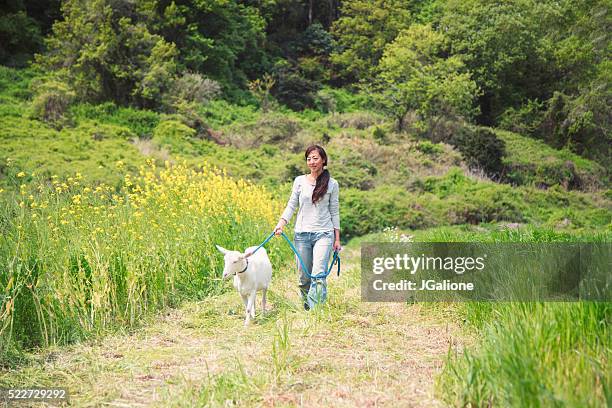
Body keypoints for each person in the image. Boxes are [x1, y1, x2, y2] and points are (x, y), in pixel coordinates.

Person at [274, 145, 341, 310]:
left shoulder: (332, 184)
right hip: (302, 235)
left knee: (318, 275)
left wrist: (337, 239)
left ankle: (316, 313)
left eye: (315, 158)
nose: (312, 162)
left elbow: (334, 211)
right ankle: (307, 307)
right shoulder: (299, 181)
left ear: (323, 160)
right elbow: (291, 206)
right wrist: (280, 224)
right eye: (309, 159)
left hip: (324, 234)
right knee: (304, 278)